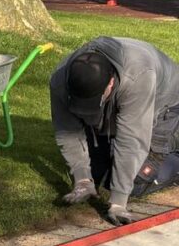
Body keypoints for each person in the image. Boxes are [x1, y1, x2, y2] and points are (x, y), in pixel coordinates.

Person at [50, 37, 179, 226]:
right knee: (100, 173)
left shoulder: (138, 75)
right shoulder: (59, 80)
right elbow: (67, 131)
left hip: (165, 109)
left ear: (110, 83)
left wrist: (118, 203)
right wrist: (83, 180)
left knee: (136, 182)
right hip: (121, 104)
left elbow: (132, 140)